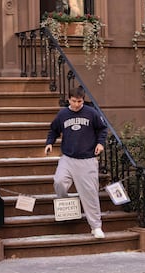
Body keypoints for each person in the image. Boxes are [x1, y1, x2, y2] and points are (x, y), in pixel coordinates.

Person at [44, 86, 108, 238]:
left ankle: (96, 227)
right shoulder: (63, 114)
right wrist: (49, 143)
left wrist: (100, 143)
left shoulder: (91, 113)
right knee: (59, 182)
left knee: (90, 194)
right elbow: (53, 129)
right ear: (69, 100)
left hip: (87, 159)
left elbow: (102, 129)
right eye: (74, 101)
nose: (77, 104)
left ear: (83, 99)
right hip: (67, 158)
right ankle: (69, 206)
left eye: (80, 101)